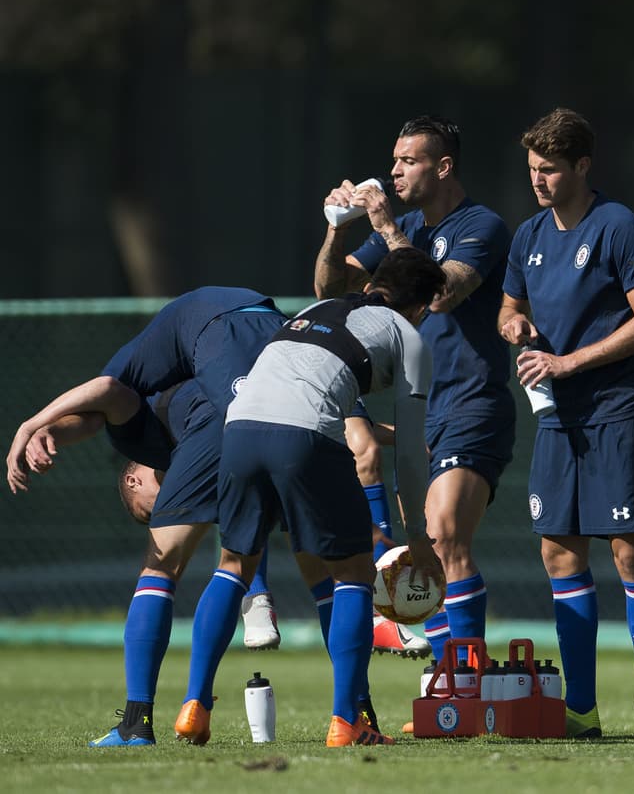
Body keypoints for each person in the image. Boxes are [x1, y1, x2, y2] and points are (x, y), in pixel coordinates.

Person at [4, 289, 330, 747]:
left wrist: (31, 425)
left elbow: (103, 393)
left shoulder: (138, 428)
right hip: (273, 353)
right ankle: (355, 709)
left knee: (161, 567)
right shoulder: (184, 382)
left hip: (227, 362)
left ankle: (138, 722)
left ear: (135, 482)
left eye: (148, 511)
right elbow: (90, 416)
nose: (161, 511)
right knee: (314, 566)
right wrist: (52, 432)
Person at [175, 248, 448, 748]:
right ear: (422, 307)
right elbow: (411, 455)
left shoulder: (312, 311)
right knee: (353, 571)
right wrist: (419, 540)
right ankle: (348, 721)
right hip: (303, 437)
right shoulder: (408, 336)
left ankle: (195, 702)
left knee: (234, 564)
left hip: (238, 430)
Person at [315, 115, 515, 661]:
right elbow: (329, 287)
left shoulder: (483, 225)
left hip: (474, 401)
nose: (394, 171)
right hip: (421, 408)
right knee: (427, 544)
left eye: (408, 161)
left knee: (446, 533)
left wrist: (383, 225)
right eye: (394, 160)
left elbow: (443, 292)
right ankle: (452, 671)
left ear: (443, 166)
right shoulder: (406, 227)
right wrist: (337, 227)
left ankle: (466, 674)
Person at [498, 107, 634, 738]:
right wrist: (513, 325)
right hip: (556, 420)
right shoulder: (529, 235)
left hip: (617, 411)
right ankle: (581, 709)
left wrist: (567, 361)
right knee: (558, 553)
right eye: (533, 170)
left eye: (549, 169)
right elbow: (509, 305)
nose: (539, 181)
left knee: (628, 552)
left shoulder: (619, 226)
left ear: (582, 166)